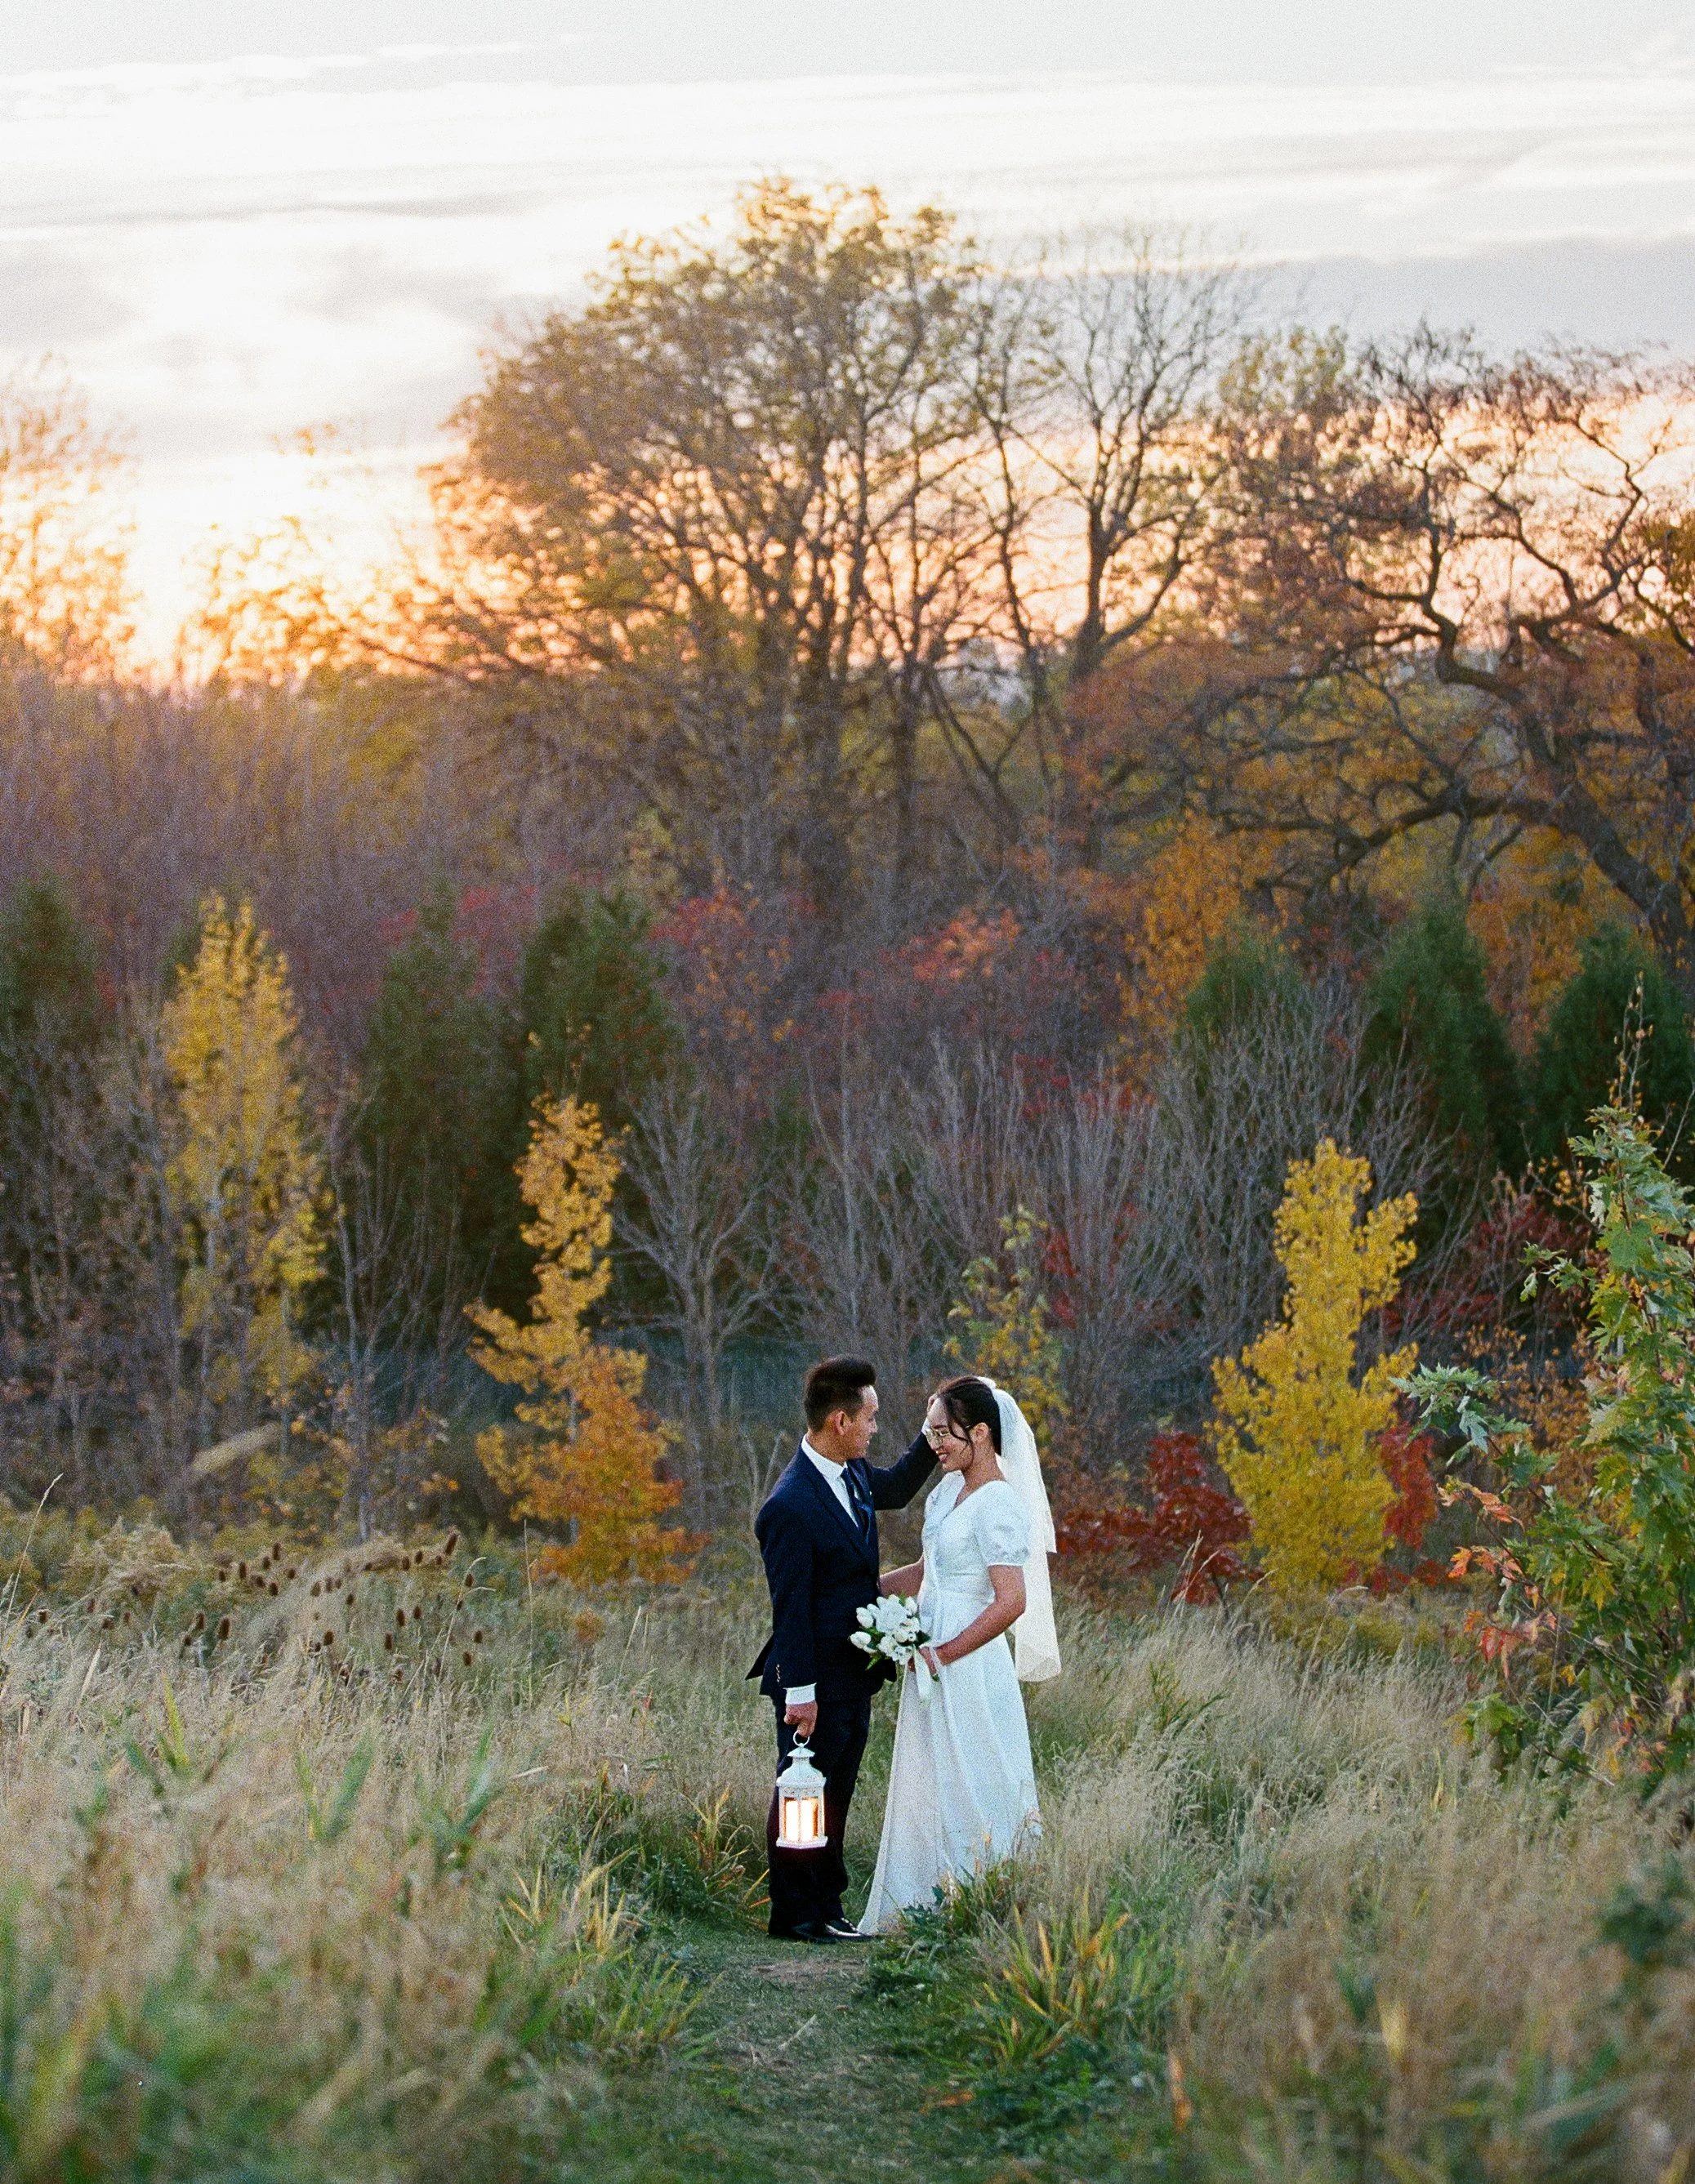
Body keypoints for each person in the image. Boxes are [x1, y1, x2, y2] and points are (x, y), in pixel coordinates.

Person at [858, 1373, 1060, 1935]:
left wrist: (942, 1654)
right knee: (930, 1777)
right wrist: (862, 1593)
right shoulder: (947, 1492)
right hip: (931, 1656)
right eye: (930, 1433)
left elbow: (1010, 1602)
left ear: (981, 1433)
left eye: (944, 1433)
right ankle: (923, 1904)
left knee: (977, 1774)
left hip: (967, 1664)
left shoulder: (999, 1504)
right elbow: (929, 1572)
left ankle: (987, 1905)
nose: (935, 1445)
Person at [748, 1355, 935, 1943]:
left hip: (854, 1673)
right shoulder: (788, 1505)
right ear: (839, 1421)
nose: (875, 1428)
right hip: (812, 1682)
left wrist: (941, 1426)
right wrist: (801, 1695)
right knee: (803, 1792)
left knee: (839, 1790)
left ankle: (826, 1907)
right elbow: (791, 1612)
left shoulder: (851, 1473)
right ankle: (794, 1914)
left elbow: (900, 1488)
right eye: (871, 1419)